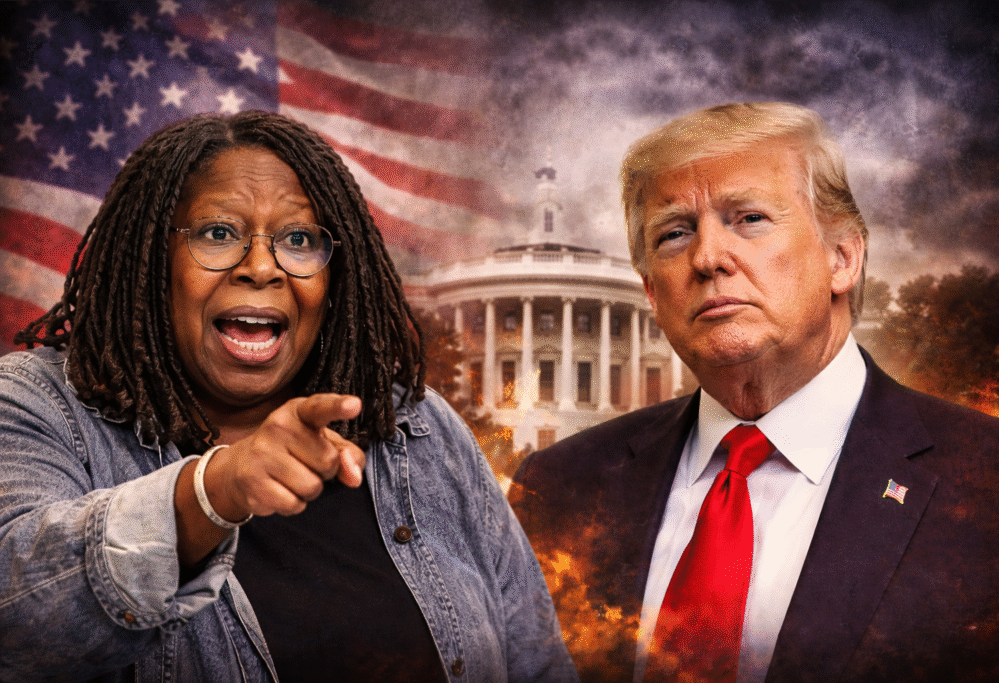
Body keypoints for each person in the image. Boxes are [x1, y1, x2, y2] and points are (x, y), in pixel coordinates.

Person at [0, 111, 577, 683]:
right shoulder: (35, 405)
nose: (261, 268)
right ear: (151, 257)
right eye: (218, 233)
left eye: (298, 240)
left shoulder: (416, 424)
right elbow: (16, 623)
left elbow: (537, 663)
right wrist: (214, 491)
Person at [510, 102, 999, 683]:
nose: (708, 258)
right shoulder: (558, 488)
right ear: (651, 293)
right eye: (675, 233)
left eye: (749, 218)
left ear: (842, 258)